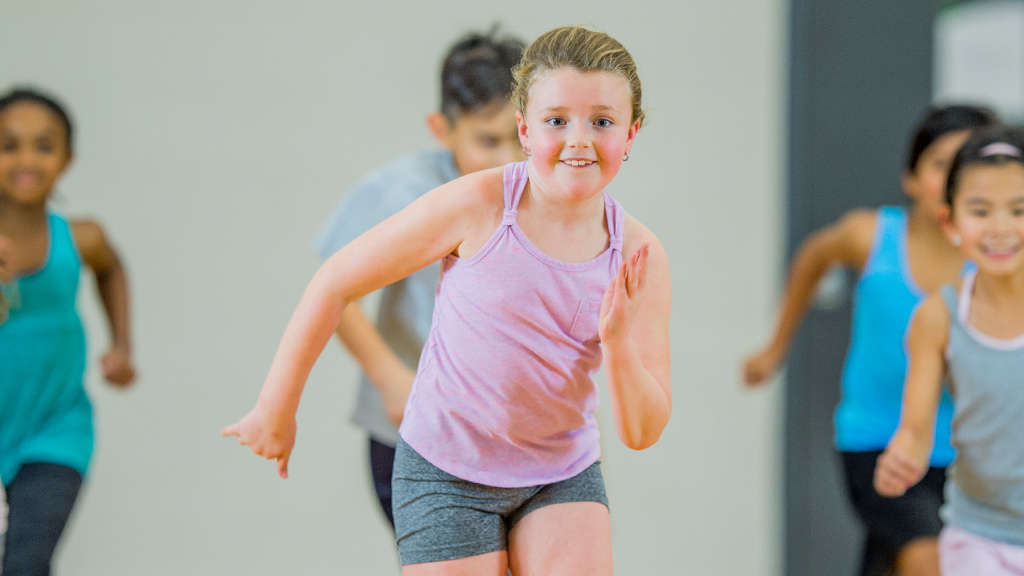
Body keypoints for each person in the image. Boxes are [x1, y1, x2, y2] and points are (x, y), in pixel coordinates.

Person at [224, 26, 672, 575]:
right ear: (525, 130)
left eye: (601, 121)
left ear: (631, 134)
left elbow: (643, 432)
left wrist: (620, 345)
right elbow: (335, 280)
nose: (579, 139)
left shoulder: (639, 253)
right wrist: (277, 405)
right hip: (447, 466)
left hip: (561, 470)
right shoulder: (477, 203)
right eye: (557, 120)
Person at [742, 104, 997, 576]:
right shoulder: (869, 236)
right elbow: (814, 256)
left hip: (968, 454)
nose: (955, 178)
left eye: (970, 166)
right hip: (877, 441)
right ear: (911, 177)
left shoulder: (994, 263)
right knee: (926, 559)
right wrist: (775, 346)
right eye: (943, 164)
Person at [312, 28, 524, 530]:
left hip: (516, 440)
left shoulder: (543, 193)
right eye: (487, 140)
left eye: (520, 136)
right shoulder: (403, 192)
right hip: (416, 433)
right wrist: (390, 377)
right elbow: (332, 294)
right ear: (441, 128)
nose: (508, 159)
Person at [875, 125, 1024, 576]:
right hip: (977, 534)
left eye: (1018, 210)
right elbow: (916, 428)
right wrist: (904, 453)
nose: (1000, 228)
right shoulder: (938, 315)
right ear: (950, 221)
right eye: (980, 211)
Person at [0, 87, 136, 575]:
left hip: (56, 431)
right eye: (9, 144)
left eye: (44, 145)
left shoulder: (81, 238)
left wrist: (121, 345)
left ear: (67, 158)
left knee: (26, 563)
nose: (26, 158)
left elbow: (111, 267)